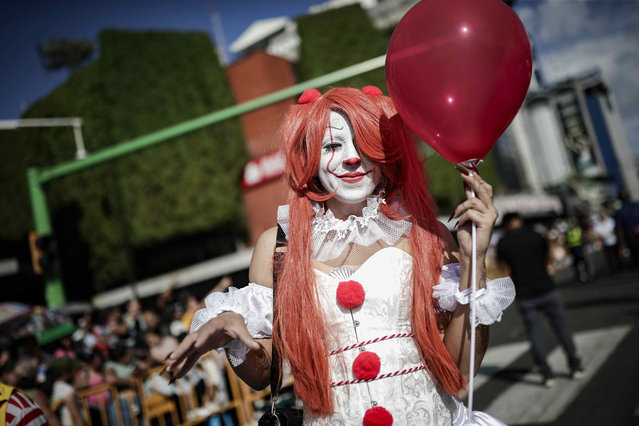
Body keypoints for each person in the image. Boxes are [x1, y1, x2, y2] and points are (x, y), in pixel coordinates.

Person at [164, 87, 515, 425]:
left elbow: (460, 367)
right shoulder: (277, 247)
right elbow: (260, 376)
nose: (352, 158)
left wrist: (473, 263)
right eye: (333, 144)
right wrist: (232, 331)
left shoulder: (426, 234)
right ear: (309, 157)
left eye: (366, 145)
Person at [497, 212, 584, 387]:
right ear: (520, 221)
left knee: (534, 334)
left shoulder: (503, 243)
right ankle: (575, 366)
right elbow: (548, 257)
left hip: (524, 293)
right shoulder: (535, 235)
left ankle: (547, 373)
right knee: (561, 328)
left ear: (506, 225)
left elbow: (502, 267)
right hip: (546, 287)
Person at [614, 190, 639, 267]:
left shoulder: (619, 212)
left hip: (631, 238)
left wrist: (621, 245)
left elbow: (619, 230)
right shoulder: (637, 205)